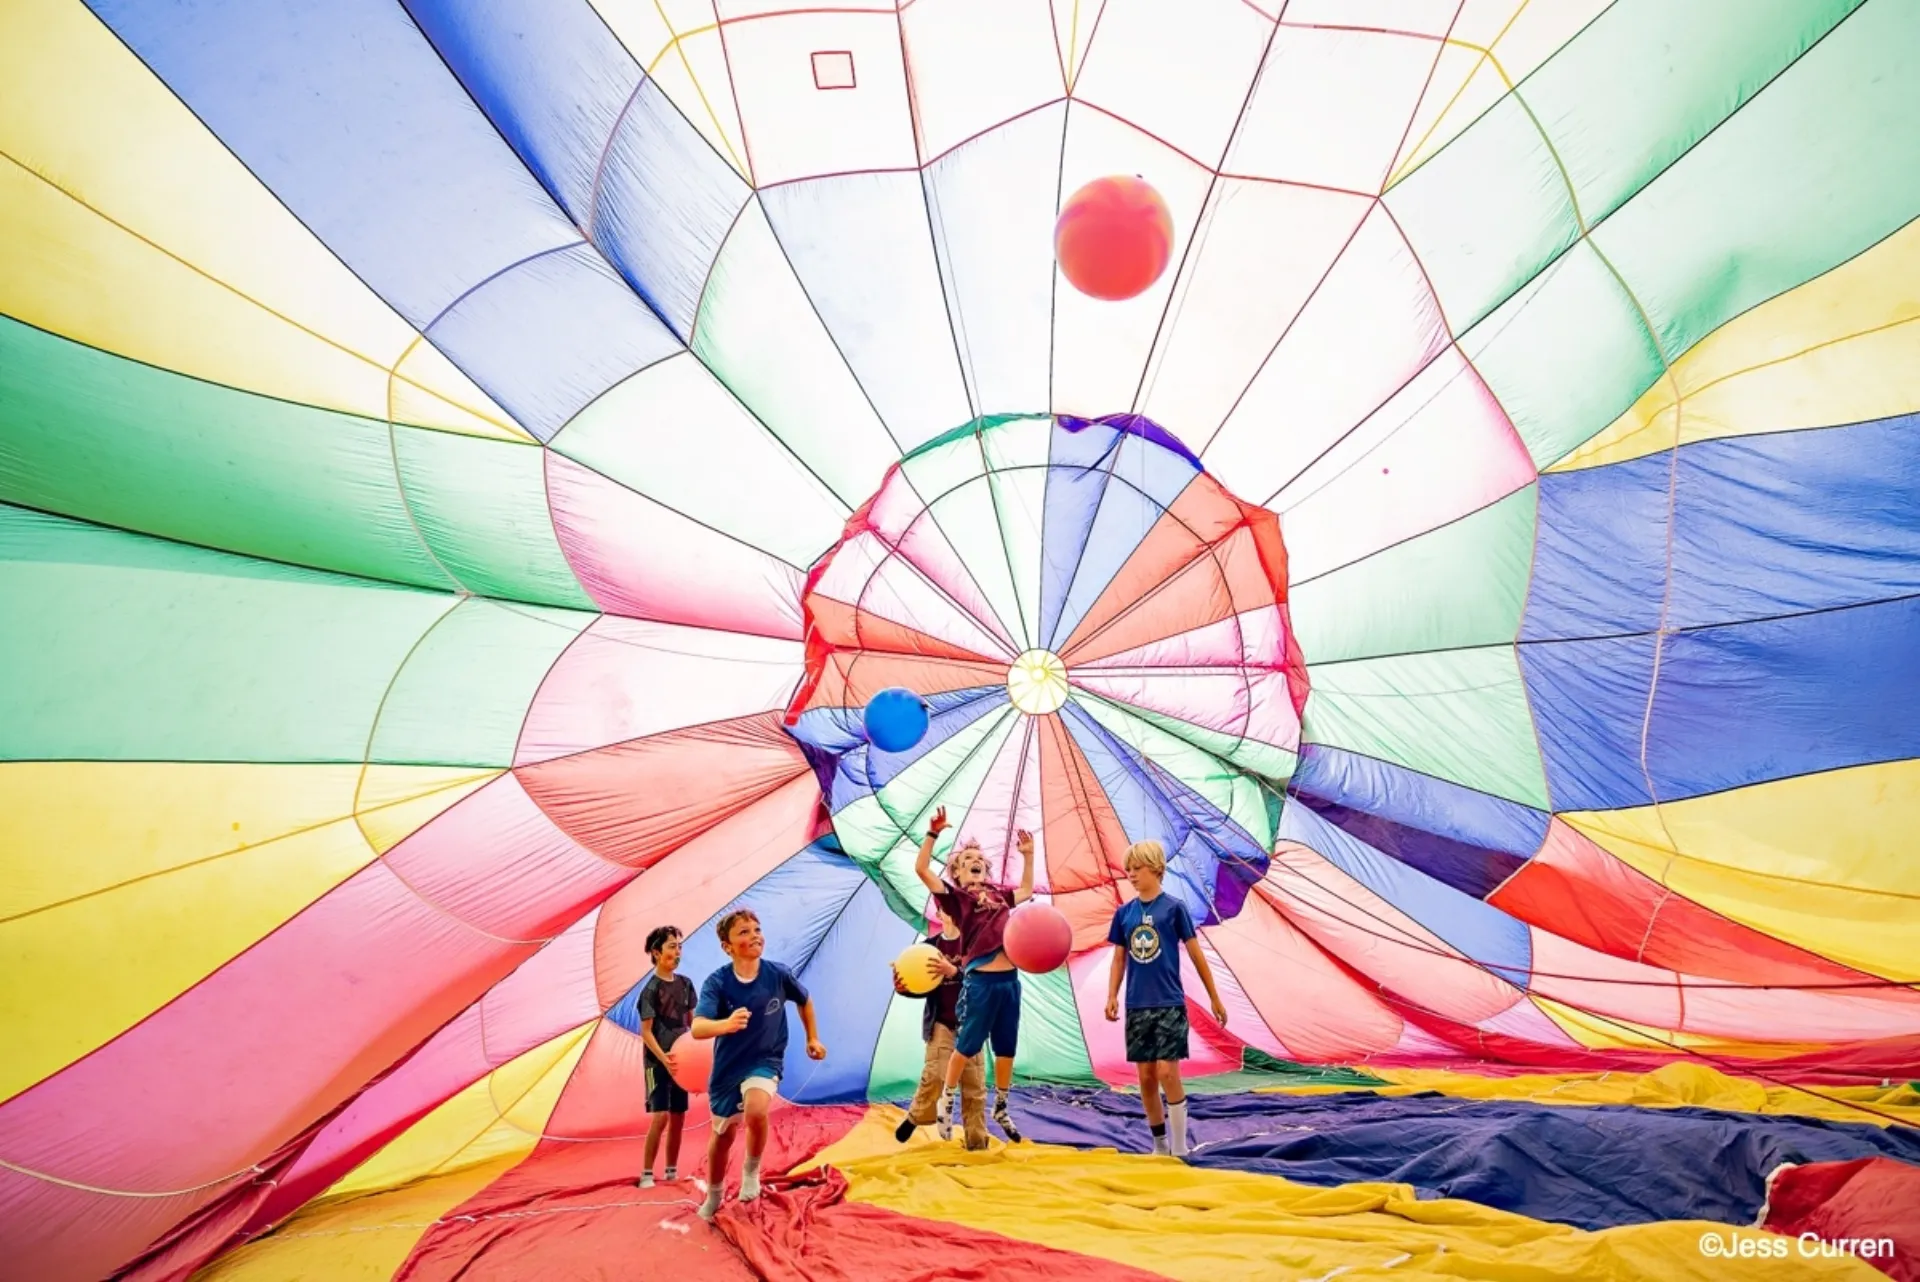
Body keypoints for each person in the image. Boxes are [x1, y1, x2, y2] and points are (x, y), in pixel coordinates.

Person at [689, 908, 826, 1222]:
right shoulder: (718, 982)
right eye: (744, 932)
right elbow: (698, 1028)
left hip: (765, 1060)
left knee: (756, 1109)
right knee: (722, 1136)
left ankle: (751, 1172)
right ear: (727, 946)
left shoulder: (777, 974)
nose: (754, 936)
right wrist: (726, 1024)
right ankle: (714, 1195)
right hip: (728, 1068)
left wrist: (813, 1039)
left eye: (756, 929)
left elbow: (804, 1000)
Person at [913, 807, 1033, 1143]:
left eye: (978, 857)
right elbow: (921, 869)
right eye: (967, 859)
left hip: (1010, 981)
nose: (975, 861)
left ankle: (1003, 1106)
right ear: (957, 873)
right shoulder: (957, 899)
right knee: (967, 1046)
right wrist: (933, 833)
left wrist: (1028, 855)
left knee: (1007, 1047)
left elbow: (1024, 890)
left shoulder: (999, 894)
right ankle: (946, 1101)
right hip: (981, 980)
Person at [1103, 839, 1228, 1158]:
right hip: (1136, 1004)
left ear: (1156, 869)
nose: (1131, 874)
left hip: (1169, 1002)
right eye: (1128, 869)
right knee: (1145, 1076)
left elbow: (1197, 955)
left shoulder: (1174, 908)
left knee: (1167, 1072)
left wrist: (1214, 997)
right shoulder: (1124, 914)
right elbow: (1120, 958)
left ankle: (1180, 1145)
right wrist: (1112, 994)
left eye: (1137, 868)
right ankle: (1159, 1145)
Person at [891, 908, 988, 1149]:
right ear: (939, 912)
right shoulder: (928, 948)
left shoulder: (975, 946)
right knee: (934, 1074)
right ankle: (916, 1116)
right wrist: (904, 988)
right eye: (947, 907)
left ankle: (977, 1144)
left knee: (974, 1086)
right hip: (942, 1024)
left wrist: (954, 971)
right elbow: (920, 985)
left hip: (970, 1025)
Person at [636, 926, 697, 1188]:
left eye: (680, 946)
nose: (677, 951)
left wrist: (695, 1062)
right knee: (660, 1116)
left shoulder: (685, 985)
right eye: (672, 946)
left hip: (682, 1063)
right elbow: (647, 1032)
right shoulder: (650, 990)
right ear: (656, 952)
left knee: (678, 1116)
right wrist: (663, 1058)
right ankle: (647, 1173)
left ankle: (671, 1171)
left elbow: (692, 1026)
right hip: (657, 1063)